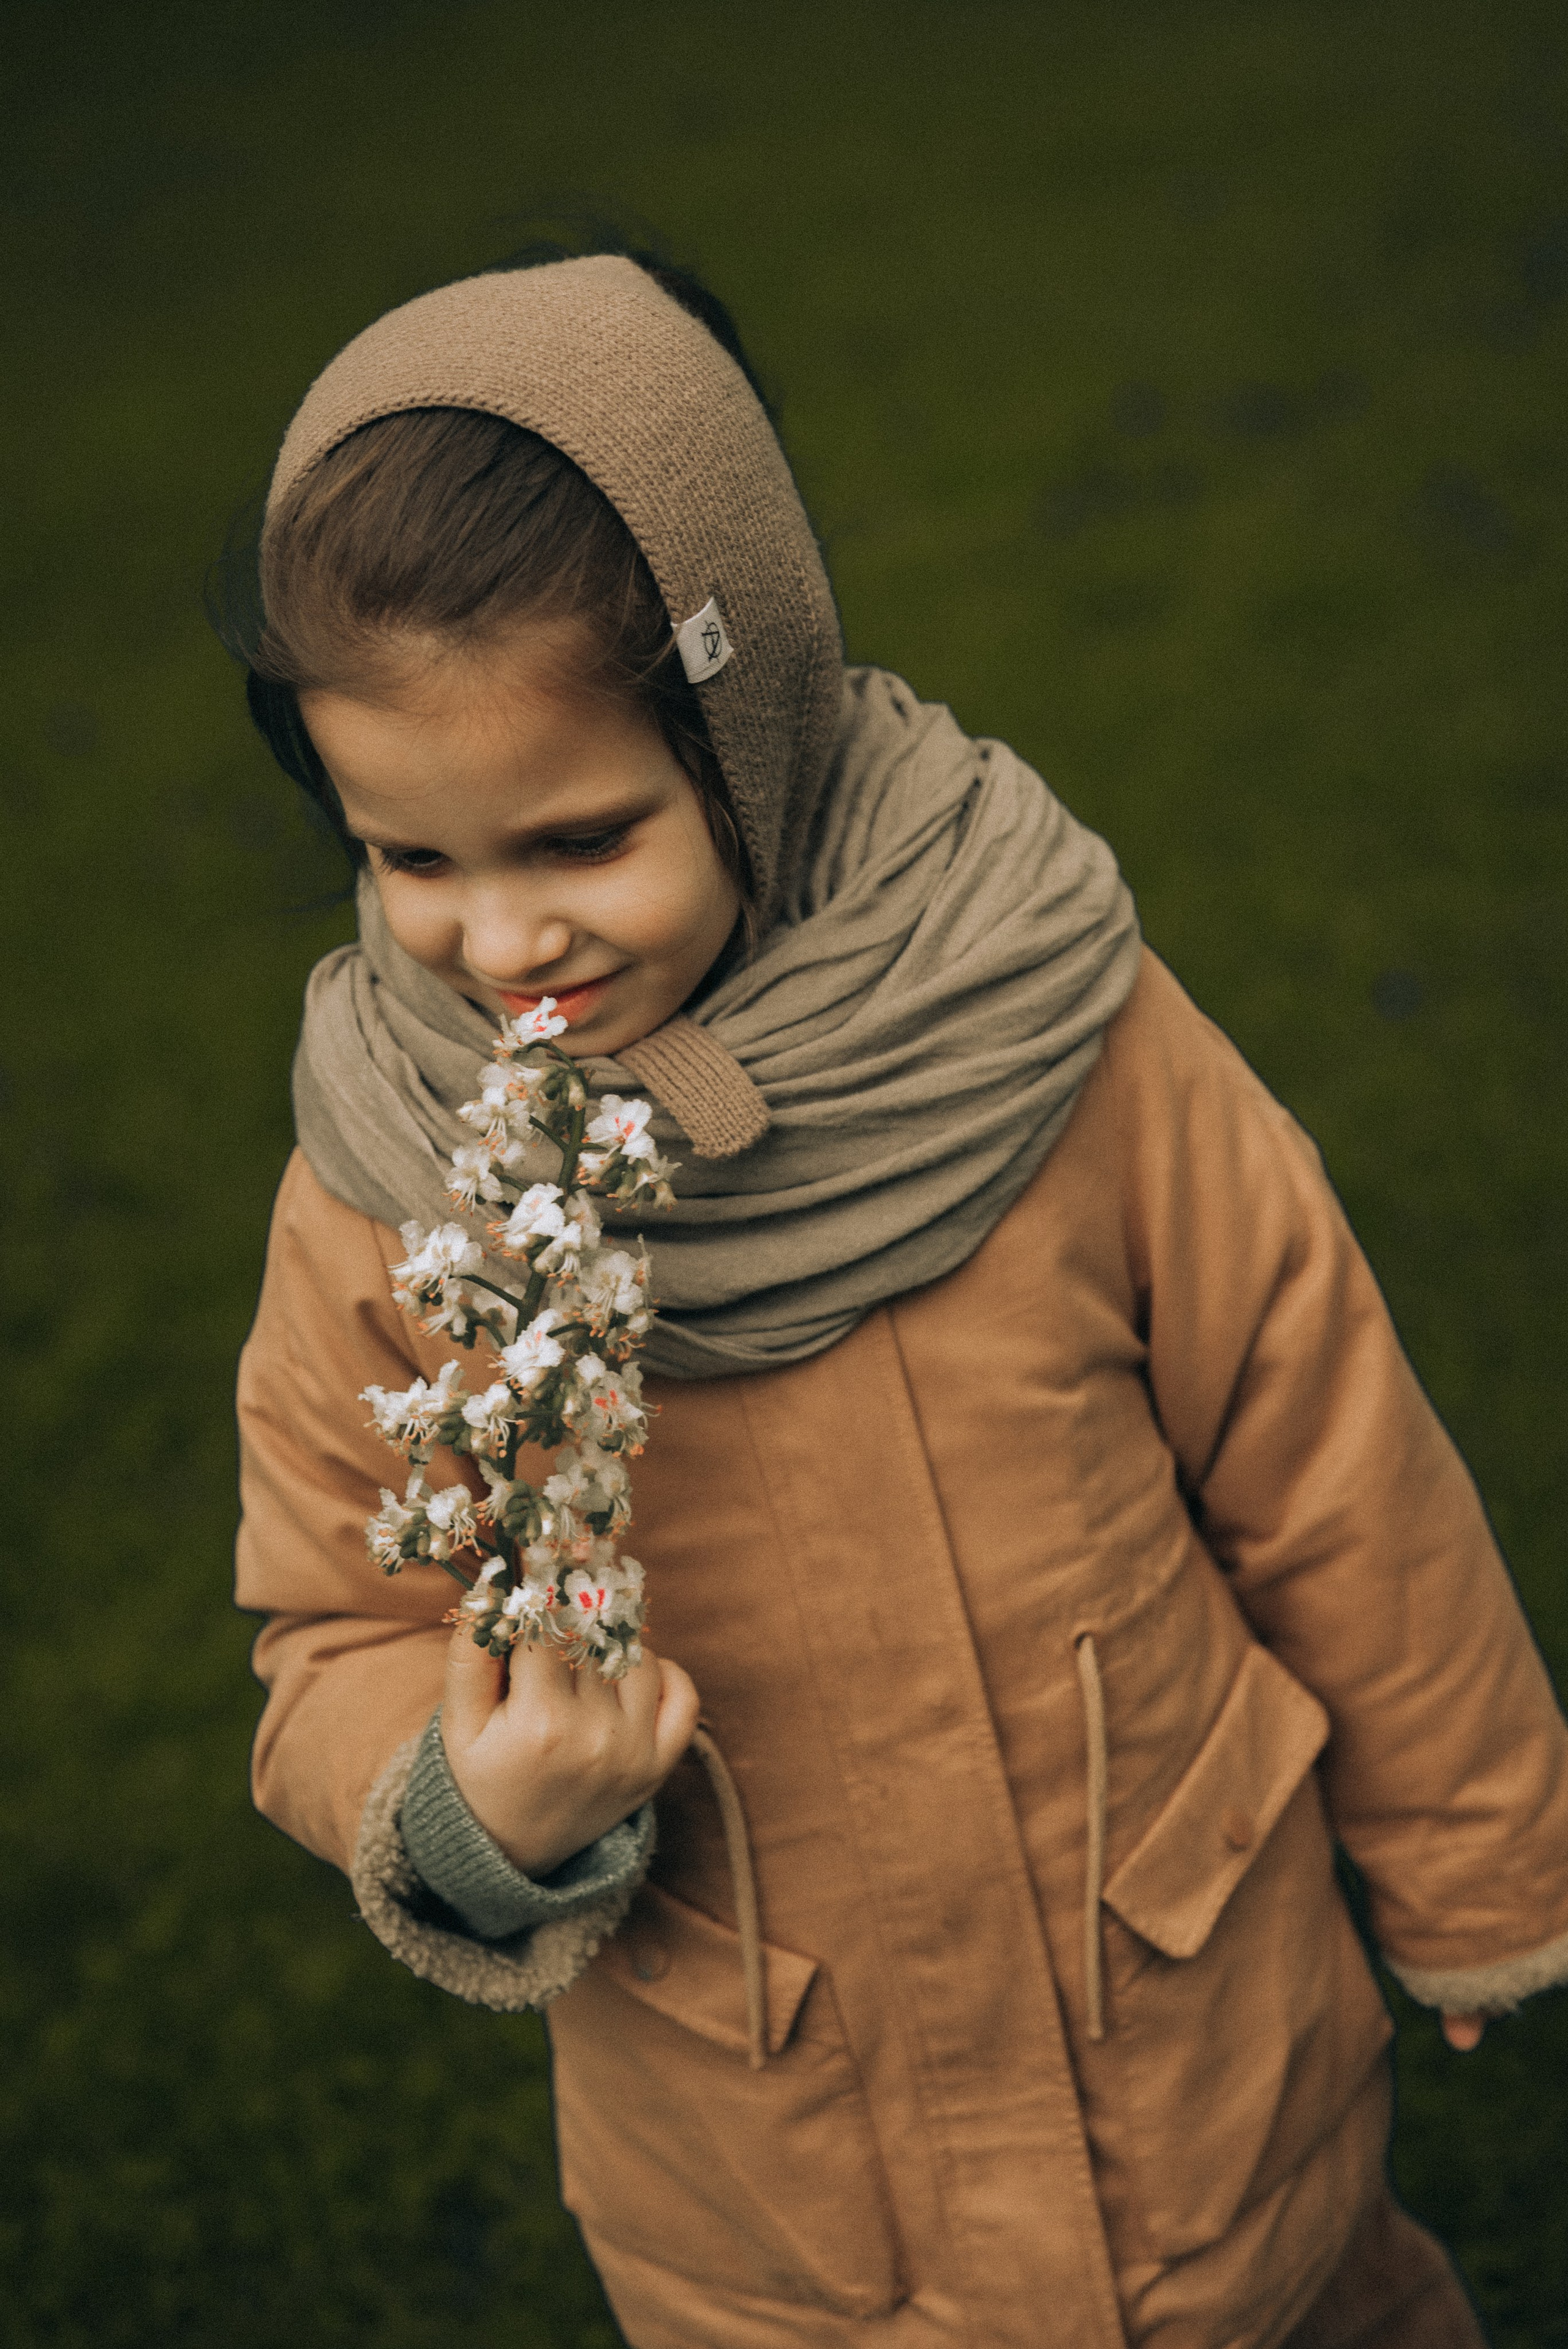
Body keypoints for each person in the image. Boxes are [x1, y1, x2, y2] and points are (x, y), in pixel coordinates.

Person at [231, 246, 1568, 2349]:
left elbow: (1332, 1456)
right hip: (783, 2197)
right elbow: (331, 1622)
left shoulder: (1046, 1022)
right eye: (411, 859)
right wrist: (467, 1805)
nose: (500, 943)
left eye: (583, 837)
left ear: (750, 741)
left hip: (1214, 2083)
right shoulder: (389, 1194)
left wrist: (1483, 1872)